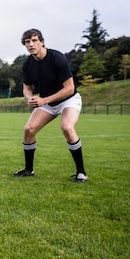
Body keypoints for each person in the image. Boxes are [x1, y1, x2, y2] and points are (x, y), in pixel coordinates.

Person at [13, 29, 88, 182]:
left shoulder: (57, 58)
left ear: (42, 42)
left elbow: (69, 88)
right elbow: (26, 88)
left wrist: (44, 100)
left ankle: (81, 172)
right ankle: (29, 170)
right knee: (29, 130)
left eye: (34, 40)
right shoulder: (28, 63)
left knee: (67, 127)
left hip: (68, 100)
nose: (31, 44)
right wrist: (30, 98)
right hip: (47, 102)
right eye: (27, 42)